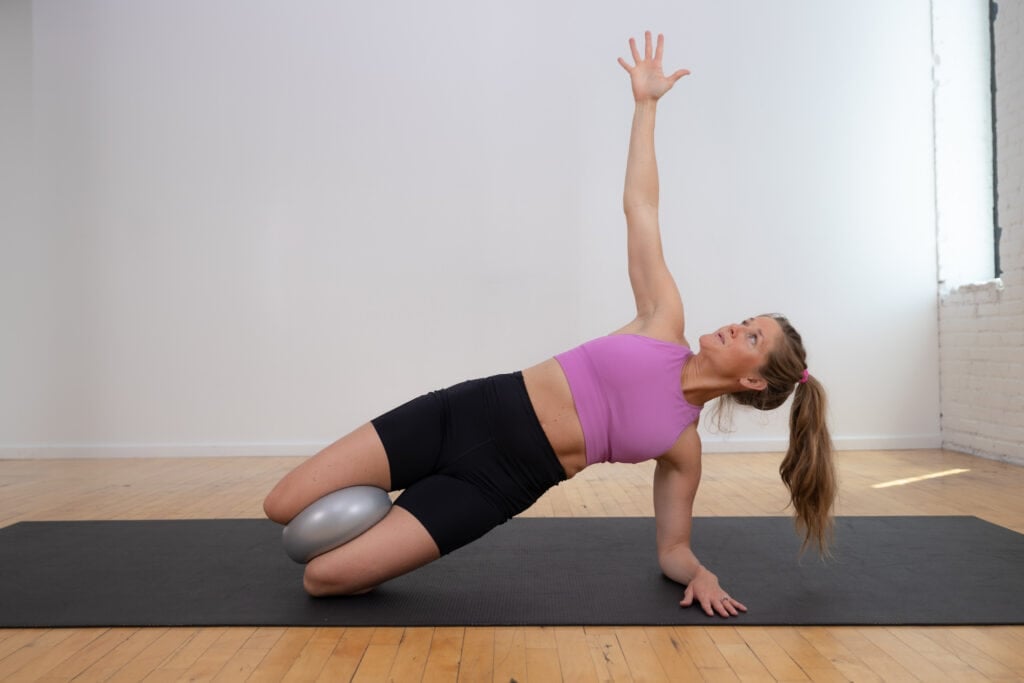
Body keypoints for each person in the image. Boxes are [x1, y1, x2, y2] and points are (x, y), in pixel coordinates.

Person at [263, 31, 836, 618]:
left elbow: (673, 549)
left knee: (325, 579)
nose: (733, 327)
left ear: (754, 382)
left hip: (496, 486)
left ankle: (397, 526)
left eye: (750, 336)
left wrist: (702, 573)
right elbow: (642, 207)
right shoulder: (663, 319)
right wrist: (646, 106)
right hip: (462, 414)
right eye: (745, 321)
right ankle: (388, 514)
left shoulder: (681, 447)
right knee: (281, 505)